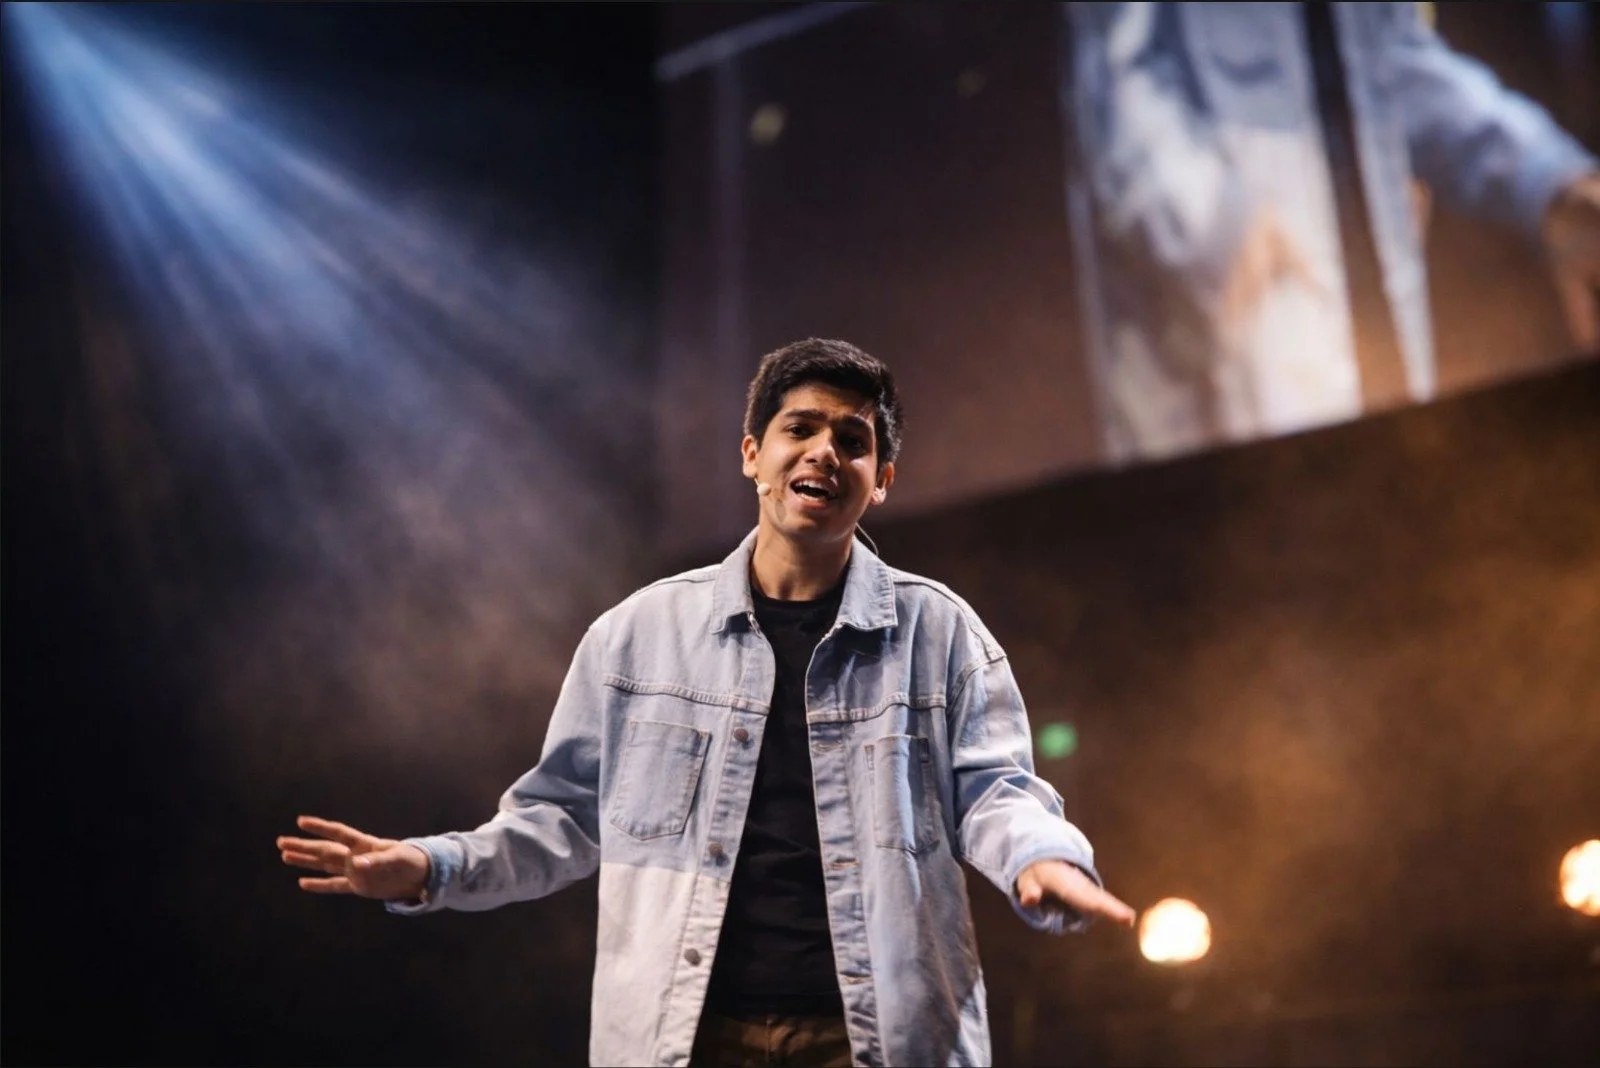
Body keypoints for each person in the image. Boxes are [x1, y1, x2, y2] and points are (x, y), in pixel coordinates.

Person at [278, 338, 1135, 1068]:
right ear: (751, 453)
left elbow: (996, 792)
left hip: (875, 1041)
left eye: (853, 439)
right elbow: (566, 819)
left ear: (882, 480)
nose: (824, 452)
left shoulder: (938, 632)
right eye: (798, 428)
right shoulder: (638, 635)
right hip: (685, 1038)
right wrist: (434, 867)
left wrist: (1042, 860)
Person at [1062, 1, 1600, 463]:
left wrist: (1548, 182)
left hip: (1368, 312)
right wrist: (1215, 223)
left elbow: (1390, 57)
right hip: (1236, 312)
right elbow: (1112, 80)